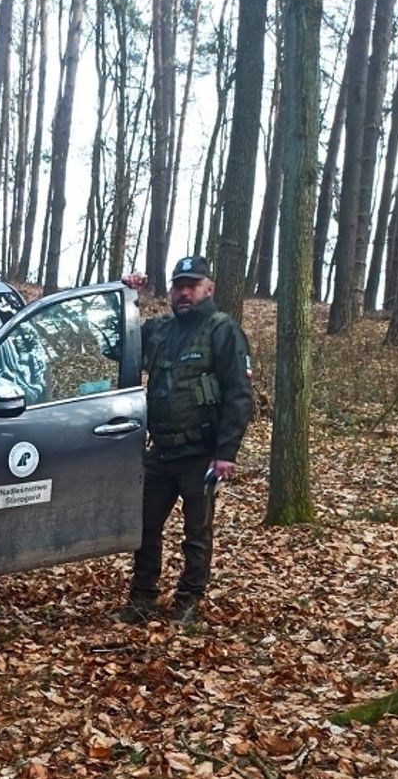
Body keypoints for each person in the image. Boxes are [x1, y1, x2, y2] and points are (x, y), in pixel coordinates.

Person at [116, 255, 254, 624]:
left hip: (201, 455)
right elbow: (116, 345)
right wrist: (126, 297)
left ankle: (189, 601)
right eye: (179, 285)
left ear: (209, 288)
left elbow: (239, 395)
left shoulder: (222, 330)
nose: (184, 292)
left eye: (192, 285)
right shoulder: (160, 330)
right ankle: (142, 599)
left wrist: (226, 453)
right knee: (144, 527)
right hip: (161, 452)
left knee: (196, 533)